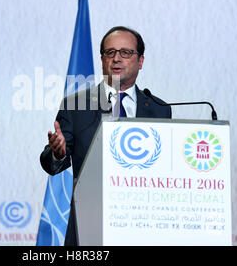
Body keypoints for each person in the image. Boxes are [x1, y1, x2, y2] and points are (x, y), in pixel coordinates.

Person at [40, 26, 171, 245]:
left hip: (143, 224)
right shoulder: (76, 105)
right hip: (91, 221)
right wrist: (58, 153)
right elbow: (51, 164)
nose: (117, 58)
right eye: (110, 53)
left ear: (140, 61)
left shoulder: (159, 109)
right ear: (102, 60)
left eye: (126, 53)